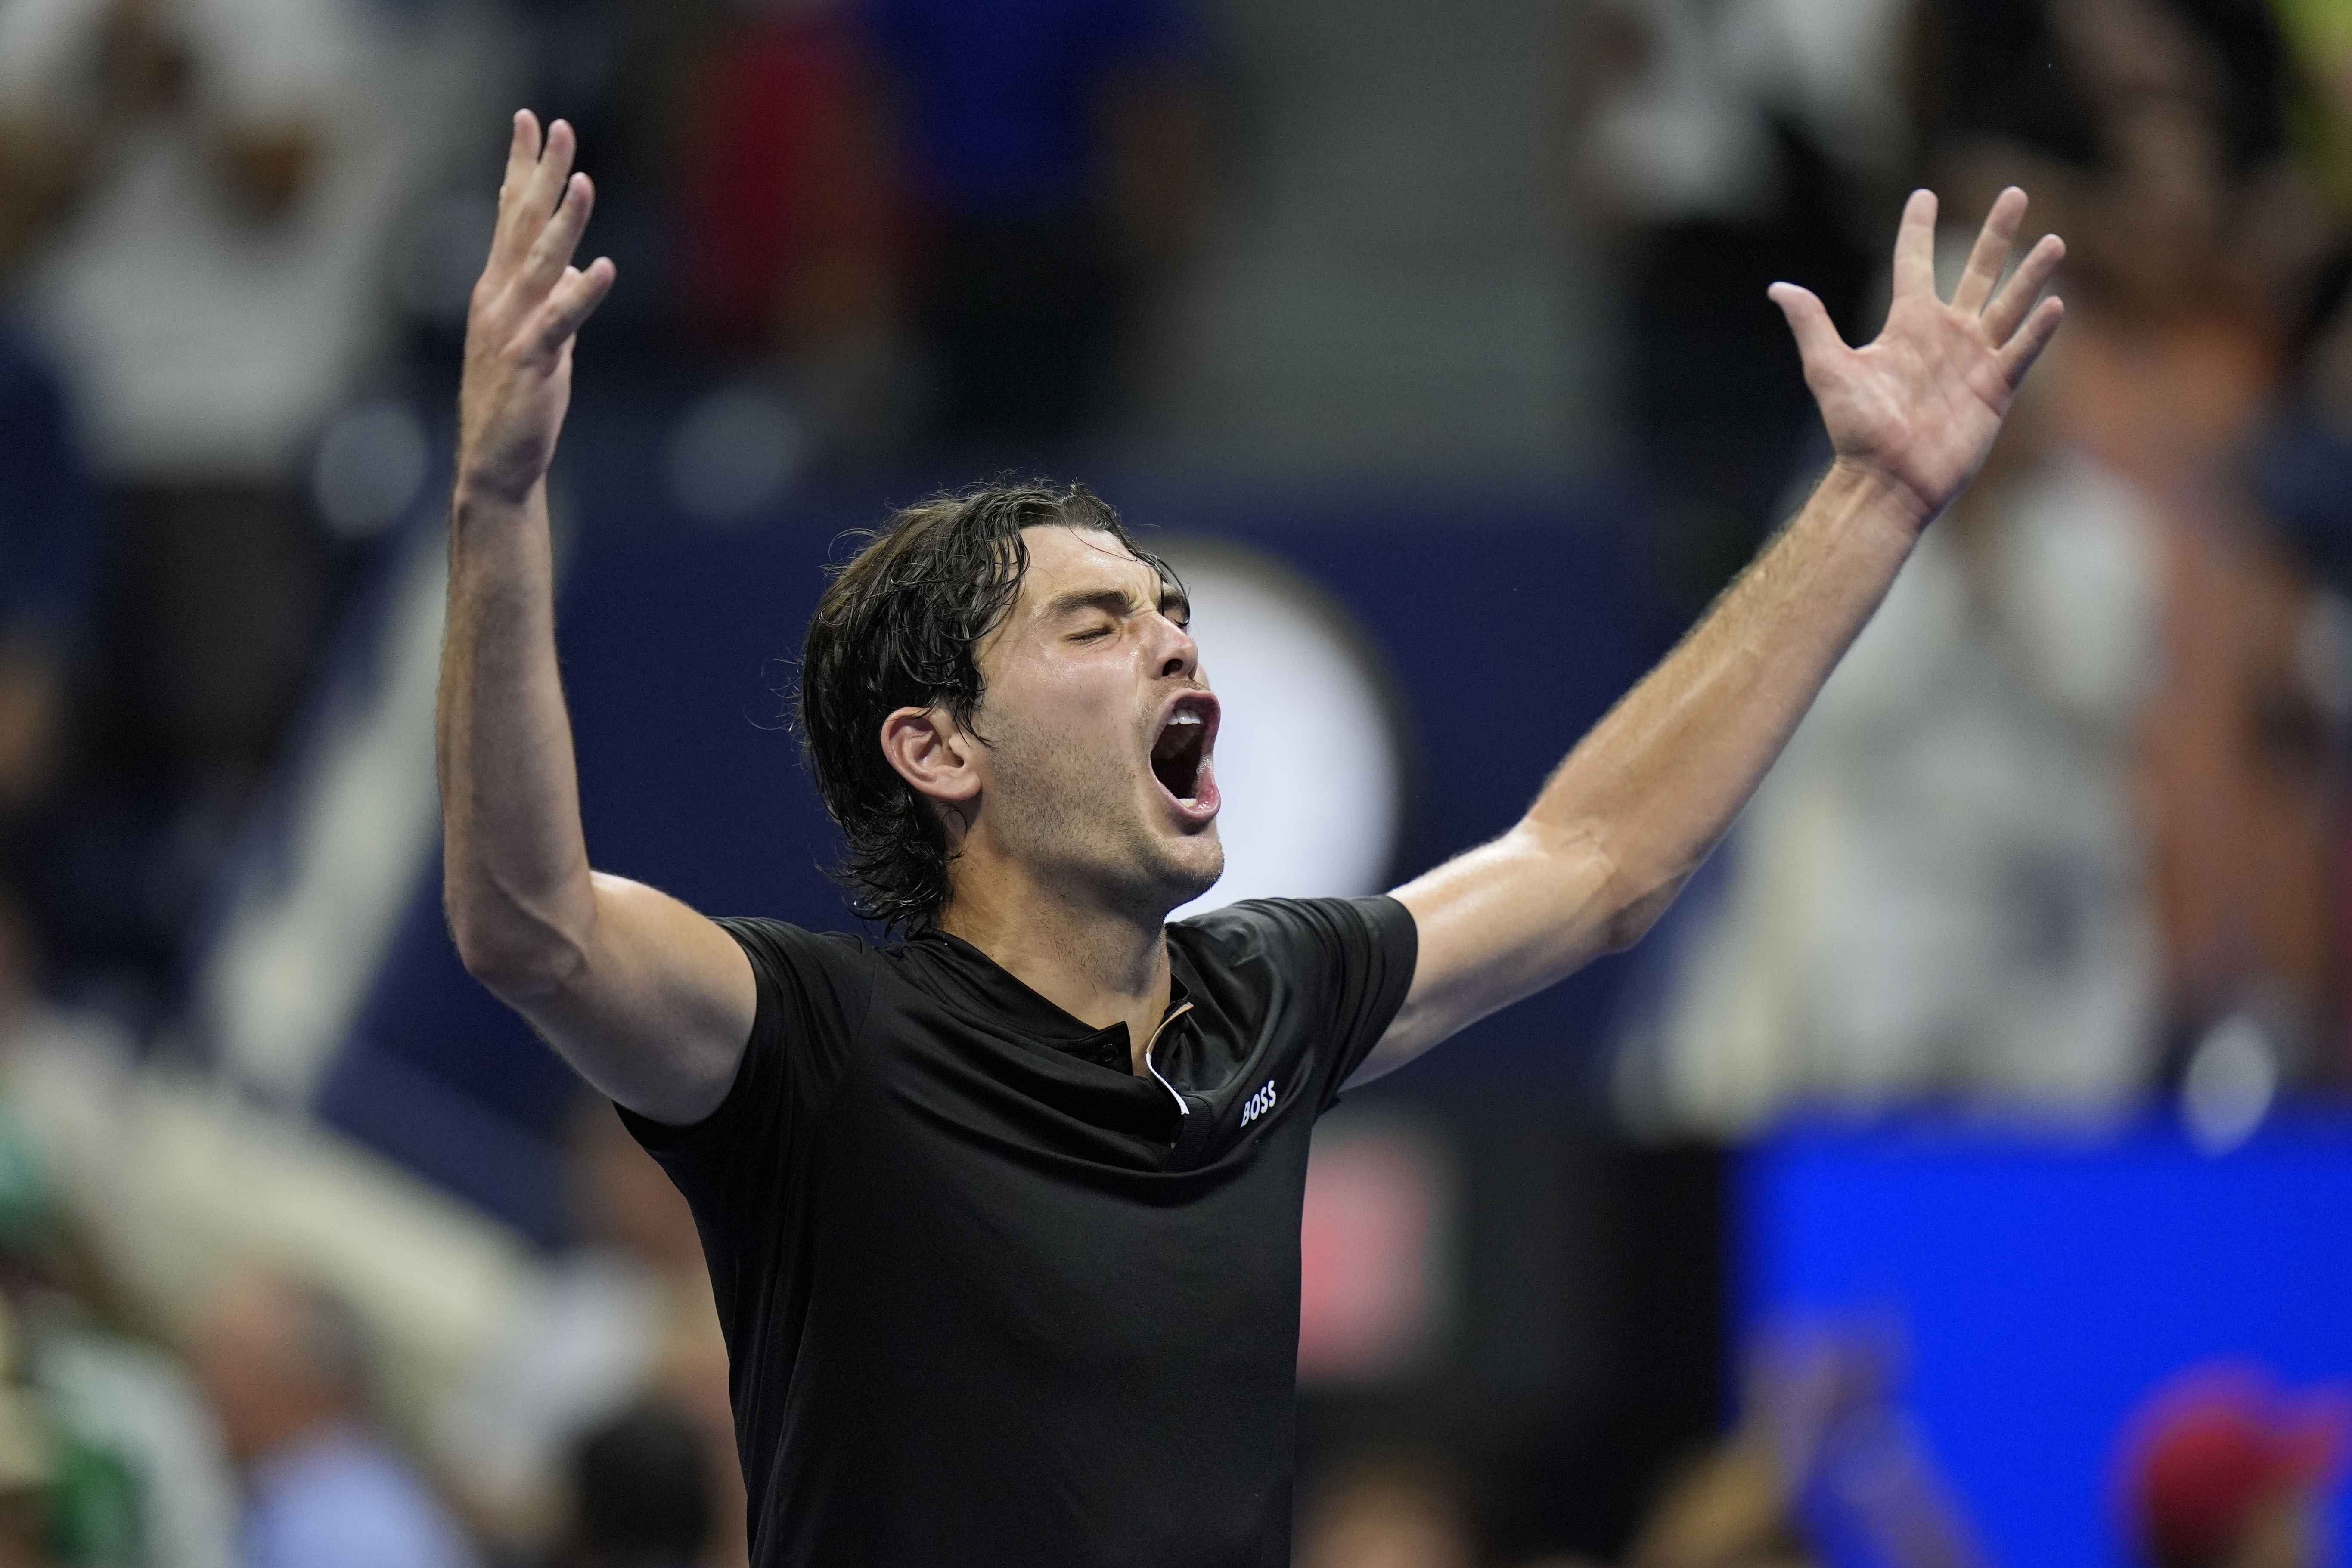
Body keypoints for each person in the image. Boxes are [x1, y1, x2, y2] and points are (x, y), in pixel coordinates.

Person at [438, 111, 2063, 1566]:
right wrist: (499, 501)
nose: (1172, 644)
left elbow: (1596, 864)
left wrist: (1872, 501)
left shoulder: (1263, 1002)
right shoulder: (817, 1047)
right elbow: (532, 926)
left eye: (1171, 612)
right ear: (936, 749)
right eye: (1094, 624)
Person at [189, 1269, 475, 1568]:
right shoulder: (294, 1486)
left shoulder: (352, 1537)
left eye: (231, 1357)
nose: (209, 1380)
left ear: (301, 1383)